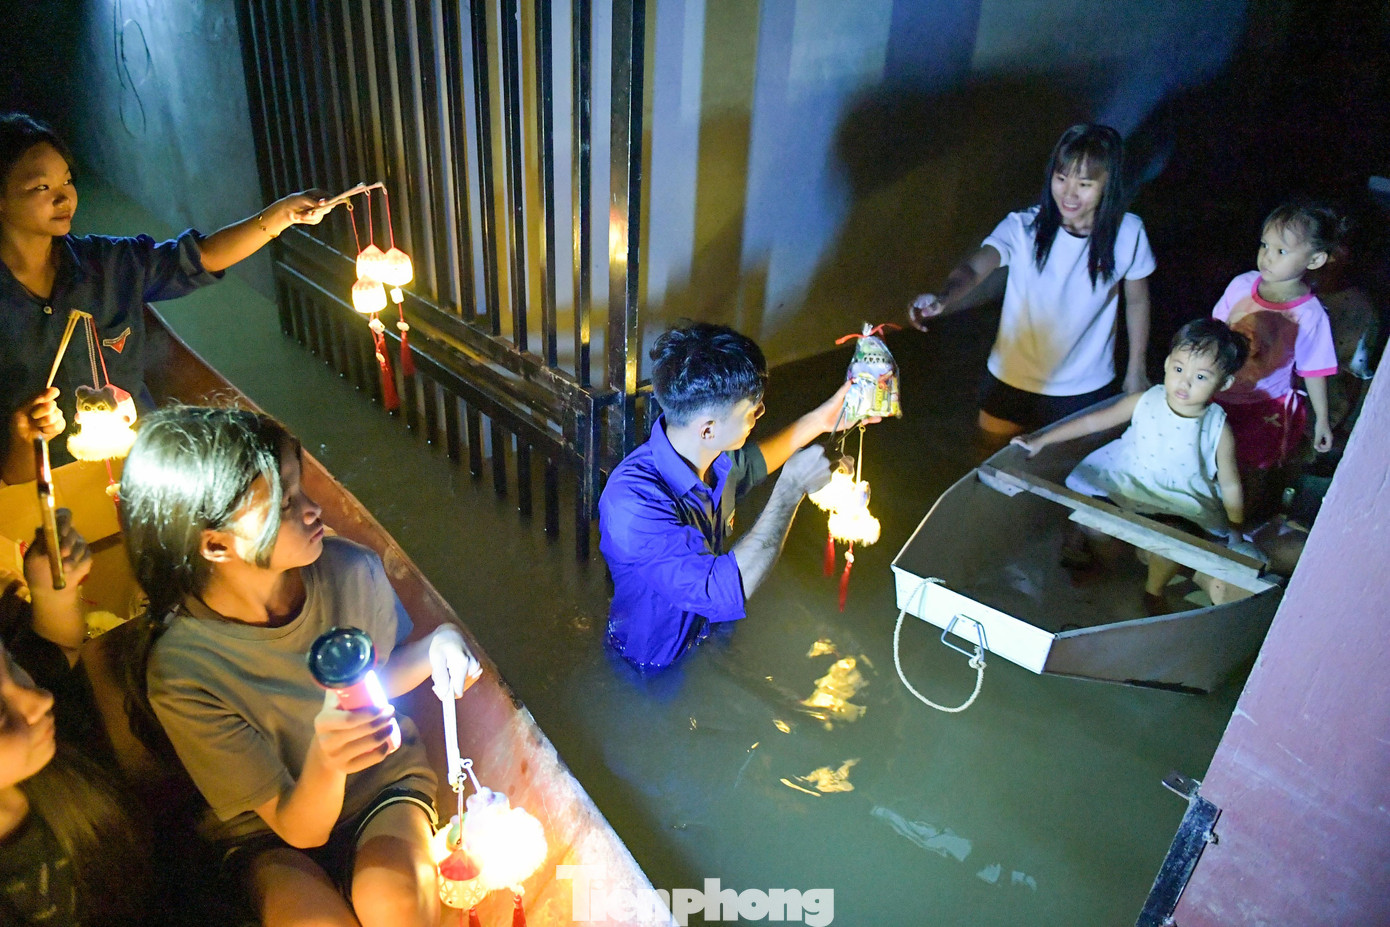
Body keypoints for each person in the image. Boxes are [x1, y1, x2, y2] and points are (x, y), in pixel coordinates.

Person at [117, 406, 480, 927]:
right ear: (216, 545)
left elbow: (375, 684)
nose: (314, 510)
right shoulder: (182, 670)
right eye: (285, 504)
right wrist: (328, 759)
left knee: (393, 904)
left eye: (301, 488)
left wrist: (436, 645)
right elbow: (299, 827)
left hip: (380, 788)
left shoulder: (351, 570)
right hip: (272, 834)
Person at [0, 112, 332, 484]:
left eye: (67, 181)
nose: (64, 197)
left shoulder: (109, 265)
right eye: (41, 188)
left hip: (141, 469)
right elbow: (13, 479)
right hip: (47, 485)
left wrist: (281, 215)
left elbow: (199, 257)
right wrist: (23, 436)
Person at [599, 323, 853, 671]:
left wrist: (823, 420)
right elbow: (722, 590)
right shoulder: (632, 503)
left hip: (706, 637)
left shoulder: (714, 458)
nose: (758, 418)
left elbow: (754, 463)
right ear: (708, 428)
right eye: (752, 411)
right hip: (652, 664)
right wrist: (792, 488)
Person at [908, 124, 1155, 451]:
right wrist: (944, 297)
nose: (1069, 193)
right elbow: (975, 267)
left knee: (1067, 479)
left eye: (1084, 184)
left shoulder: (1129, 233)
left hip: (1085, 388)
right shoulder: (1023, 227)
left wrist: (1135, 369)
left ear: (1109, 183)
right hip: (1012, 380)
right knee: (992, 467)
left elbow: (1137, 301)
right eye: (1061, 178)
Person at [1012, 319, 1249, 614]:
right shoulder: (1145, 400)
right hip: (1127, 481)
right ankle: (1107, 561)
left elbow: (1230, 482)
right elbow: (1093, 421)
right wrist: (1042, 439)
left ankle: (1153, 591)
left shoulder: (1217, 426)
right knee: (1091, 522)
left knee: (1172, 544)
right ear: (1166, 364)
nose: (1184, 383)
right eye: (1178, 369)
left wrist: (1236, 527)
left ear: (1224, 382)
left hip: (1179, 502)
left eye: (1200, 377)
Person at [0, 511, 151, 926]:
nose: (39, 698)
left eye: (11, 665)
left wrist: (52, 595)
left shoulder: (53, 769)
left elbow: (50, 652)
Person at [1210, 200, 1344, 516]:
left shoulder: (1310, 315)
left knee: (1252, 470)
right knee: (1212, 461)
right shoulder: (1241, 285)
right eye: (1264, 245)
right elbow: (1212, 337)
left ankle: (1243, 530)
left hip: (1266, 408)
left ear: (1315, 259)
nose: (1267, 256)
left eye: (1281, 251)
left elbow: (1314, 371)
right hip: (1219, 396)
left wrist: (1322, 418)